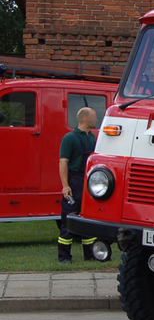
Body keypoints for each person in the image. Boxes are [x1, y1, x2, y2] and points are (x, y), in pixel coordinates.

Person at [57, 107, 98, 263]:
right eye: (94, 117)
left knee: (88, 218)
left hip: (88, 182)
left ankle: (90, 254)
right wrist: (66, 186)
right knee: (68, 220)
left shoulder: (92, 137)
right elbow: (63, 162)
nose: (96, 119)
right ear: (86, 118)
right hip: (74, 182)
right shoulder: (69, 138)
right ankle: (64, 257)